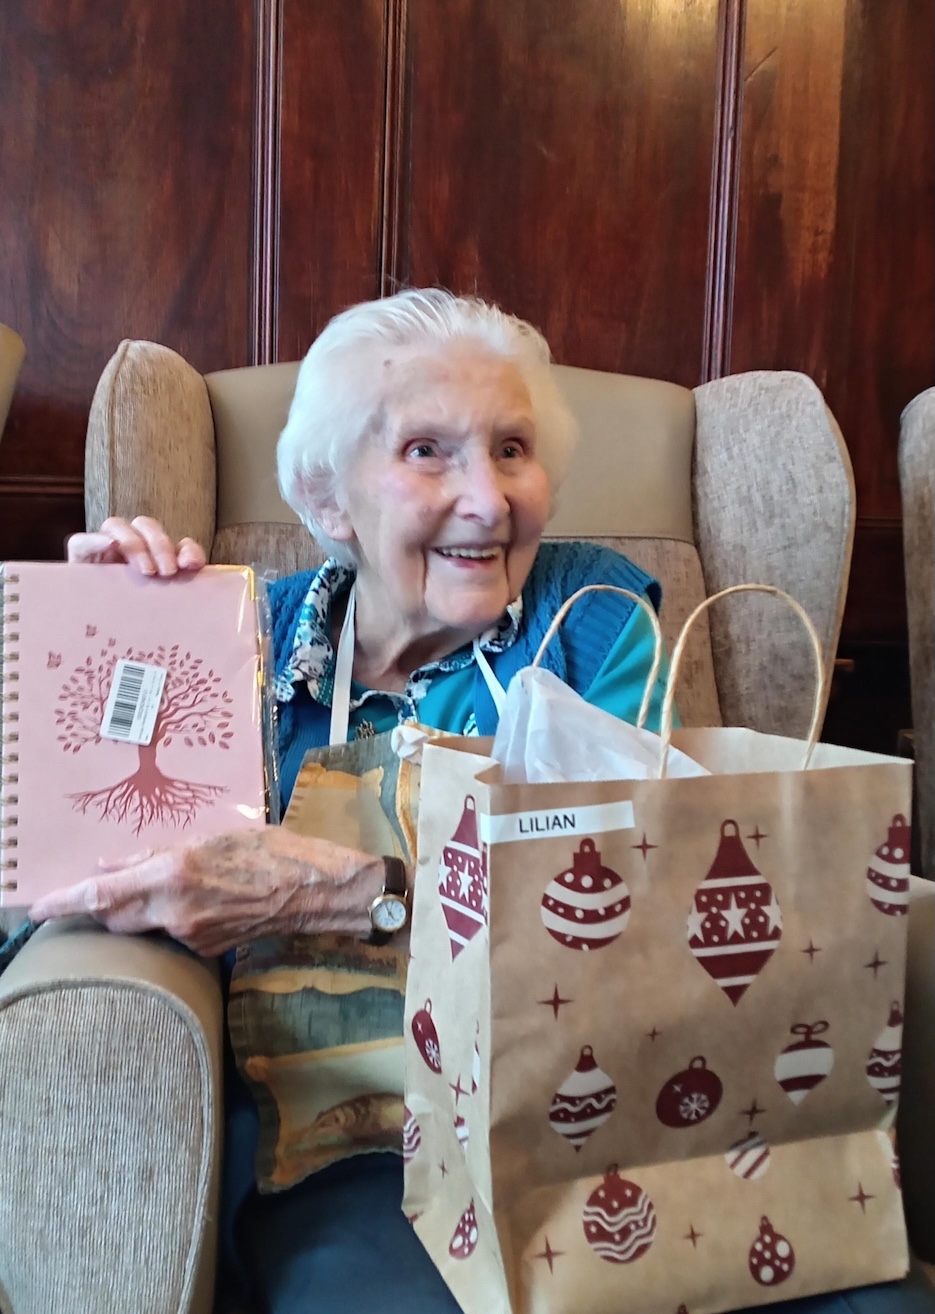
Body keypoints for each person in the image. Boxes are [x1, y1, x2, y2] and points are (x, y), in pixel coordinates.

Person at [31, 290, 932, 1314]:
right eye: (427, 450)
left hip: (615, 1128)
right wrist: (87, 655)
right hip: (358, 1147)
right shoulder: (231, 639)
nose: (487, 499)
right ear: (329, 502)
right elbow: (58, 893)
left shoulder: (590, 619)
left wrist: (366, 892)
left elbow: (634, 918)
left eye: (510, 448)